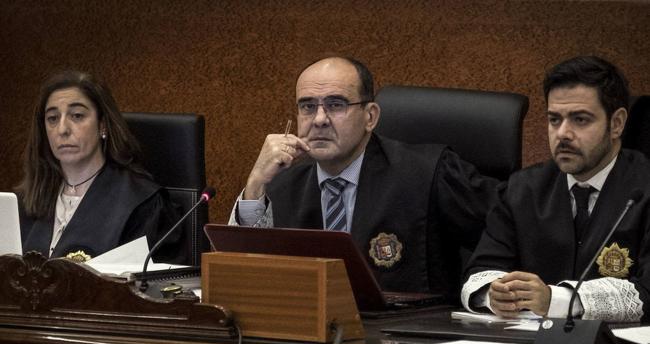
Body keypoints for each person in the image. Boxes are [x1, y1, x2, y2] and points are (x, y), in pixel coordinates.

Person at [229, 56, 497, 299]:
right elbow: (243, 274)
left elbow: (506, 230)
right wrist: (256, 184)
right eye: (308, 107)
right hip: (310, 338)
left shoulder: (430, 172)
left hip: (409, 339)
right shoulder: (282, 183)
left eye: (336, 105)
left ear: (370, 116)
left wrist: (485, 293)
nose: (319, 119)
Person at [461, 55, 650, 322]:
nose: (562, 133)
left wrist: (555, 300)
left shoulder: (643, 188)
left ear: (616, 123)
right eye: (554, 119)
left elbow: (647, 291)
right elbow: (480, 270)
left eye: (580, 120)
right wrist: (494, 293)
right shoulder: (523, 188)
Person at [17, 70, 181, 262]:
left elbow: (157, 288)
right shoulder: (24, 202)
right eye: (52, 118)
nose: (62, 129)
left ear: (102, 125)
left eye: (77, 116)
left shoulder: (142, 205)